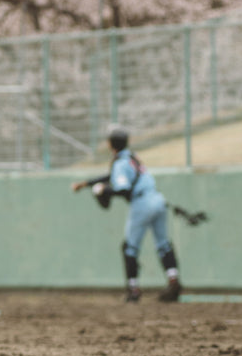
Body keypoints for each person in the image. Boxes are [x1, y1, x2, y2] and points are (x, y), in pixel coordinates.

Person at [71, 125, 183, 302]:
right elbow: (111, 177)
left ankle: (133, 290)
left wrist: (104, 191)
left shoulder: (120, 163)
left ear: (110, 144)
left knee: (129, 248)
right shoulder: (131, 157)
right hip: (158, 199)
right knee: (163, 244)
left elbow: (123, 189)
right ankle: (173, 280)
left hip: (141, 204)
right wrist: (86, 184)